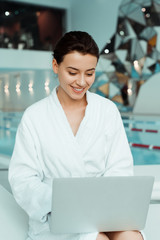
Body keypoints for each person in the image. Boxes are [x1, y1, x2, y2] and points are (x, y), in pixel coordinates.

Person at [8, 31, 144, 240]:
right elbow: (22, 179)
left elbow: (120, 167)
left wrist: (100, 203)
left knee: (131, 236)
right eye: (73, 72)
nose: (81, 82)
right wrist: (62, 200)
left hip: (102, 210)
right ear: (56, 66)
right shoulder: (34, 116)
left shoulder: (107, 111)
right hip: (54, 216)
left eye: (89, 73)